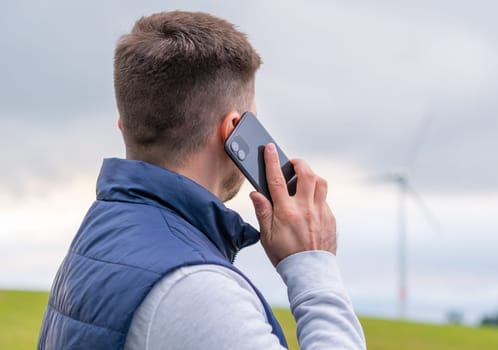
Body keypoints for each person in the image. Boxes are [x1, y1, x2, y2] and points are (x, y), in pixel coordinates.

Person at [38, 10, 366, 350]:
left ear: (124, 126)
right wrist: (313, 265)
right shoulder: (196, 291)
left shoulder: (100, 235)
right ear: (233, 130)